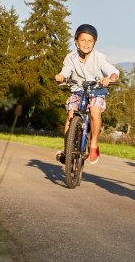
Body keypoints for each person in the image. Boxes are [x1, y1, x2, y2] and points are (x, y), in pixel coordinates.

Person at [55, 24, 120, 164]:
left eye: (90, 41)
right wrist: (61, 77)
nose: (86, 43)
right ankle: (67, 149)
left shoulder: (99, 57)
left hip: (96, 90)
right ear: (76, 41)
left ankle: (94, 144)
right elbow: (65, 72)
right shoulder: (70, 57)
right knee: (71, 113)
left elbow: (113, 72)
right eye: (83, 40)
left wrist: (109, 79)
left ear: (94, 43)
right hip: (77, 89)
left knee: (95, 112)